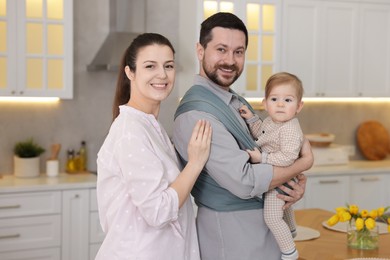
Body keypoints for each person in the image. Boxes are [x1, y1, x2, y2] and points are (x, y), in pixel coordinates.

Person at [172, 12, 313, 260]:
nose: (230, 60)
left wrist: (290, 189)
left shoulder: (233, 100)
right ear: (200, 50)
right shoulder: (197, 113)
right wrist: (302, 164)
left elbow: (270, 141)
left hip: (259, 235)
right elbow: (245, 180)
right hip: (233, 238)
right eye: (221, 49)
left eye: (238, 52)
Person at [95, 33, 212, 260]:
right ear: (130, 72)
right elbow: (158, 211)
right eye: (150, 66)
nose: (162, 74)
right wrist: (195, 163)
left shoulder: (150, 126)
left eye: (168, 66)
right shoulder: (130, 131)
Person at [239, 72, 305, 260]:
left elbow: (288, 157)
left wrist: (262, 158)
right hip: (276, 174)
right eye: (274, 99)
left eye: (288, 100)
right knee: (285, 206)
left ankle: (289, 251)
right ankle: (291, 229)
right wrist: (251, 118)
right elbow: (261, 133)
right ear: (265, 103)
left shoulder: (290, 128)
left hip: (281, 177)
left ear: (299, 106)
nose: (280, 104)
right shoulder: (272, 121)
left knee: (272, 217)